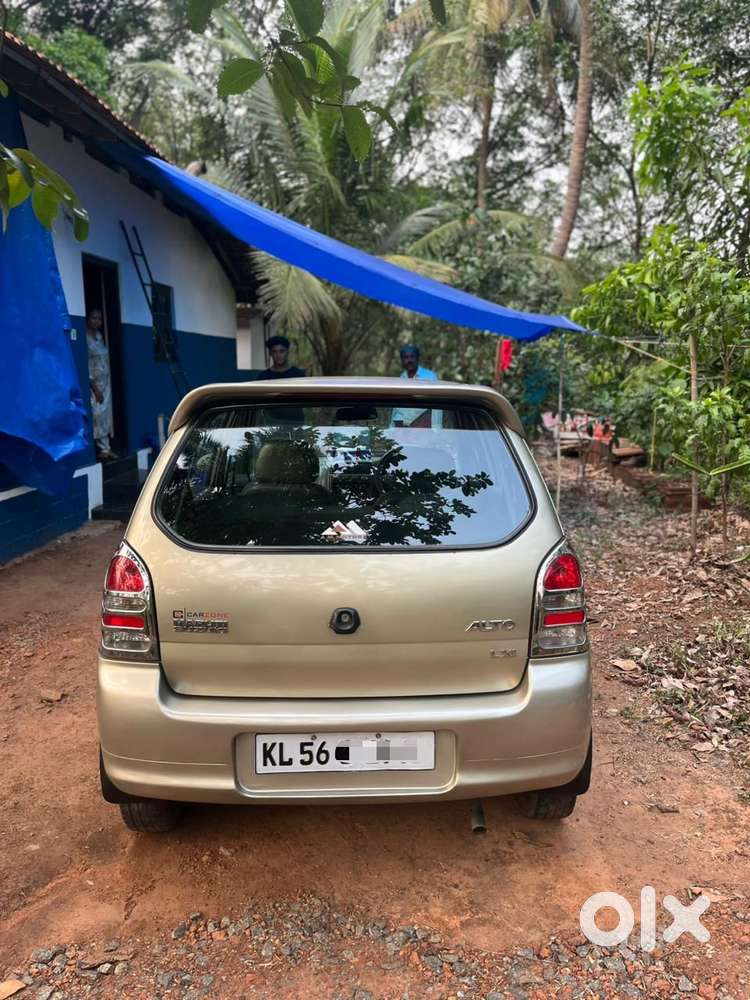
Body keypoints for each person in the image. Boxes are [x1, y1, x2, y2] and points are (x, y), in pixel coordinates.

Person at [86, 307, 117, 460]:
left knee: (105, 416)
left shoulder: (99, 336)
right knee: (96, 414)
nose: (97, 321)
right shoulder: (85, 338)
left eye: (99, 318)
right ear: (88, 319)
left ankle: (106, 449)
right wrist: (94, 387)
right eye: (94, 318)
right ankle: (98, 449)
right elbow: (86, 363)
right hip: (94, 384)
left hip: (105, 383)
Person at [393, 344, 441, 428]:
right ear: (402, 360)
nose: (409, 360)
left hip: (422, 428)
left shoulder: (430, 377)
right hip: (401, 430)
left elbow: (436, 406)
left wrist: (436, 429)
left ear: (418, 358)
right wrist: (392, 428)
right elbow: (396, 408)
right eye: (405, 357)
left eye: (412, 357)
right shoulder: (401, 378)